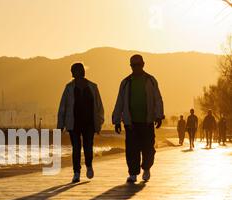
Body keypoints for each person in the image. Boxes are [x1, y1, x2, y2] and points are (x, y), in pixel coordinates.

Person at [112, 54, 164, 183]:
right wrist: (117, 120)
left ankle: (146, 168)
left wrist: (159, 115)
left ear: (143, 64)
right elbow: (119, 102)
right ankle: (133, 173)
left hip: (147, 122)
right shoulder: (125, 83)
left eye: (138, 65)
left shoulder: (150, 80)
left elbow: (158, 99)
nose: (136, 67)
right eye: (133, 65)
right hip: (131, 123)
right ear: (130, 66)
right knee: (131, 150)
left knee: (149, 149)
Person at [58, 62, 105, 183]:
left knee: (88, 146)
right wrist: (60, 125)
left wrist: (99, 122)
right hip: (74, 123)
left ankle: (89, 166)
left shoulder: (93, 87)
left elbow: (99, 106)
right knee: (76, 148)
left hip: (89, 123)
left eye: (75, 70)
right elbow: (63, 106)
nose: (73, 73)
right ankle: (76, 172)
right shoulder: (69, 88)